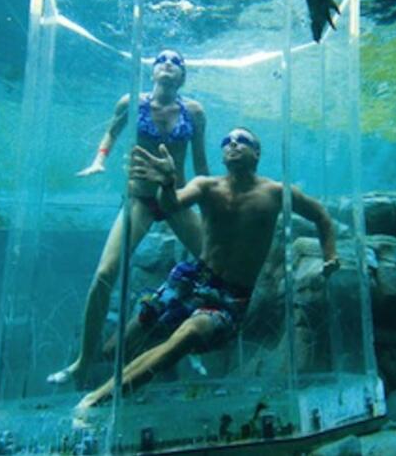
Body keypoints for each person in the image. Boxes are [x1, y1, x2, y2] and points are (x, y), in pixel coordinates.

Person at [74, 126, 341, 411]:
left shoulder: (277, 193)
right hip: (191, 279)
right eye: (227, 141)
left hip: (231, 296)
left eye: (242, 140)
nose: (233, 144)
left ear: (257, 153)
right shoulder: (206, 186)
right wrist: (167, 184)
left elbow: (321, 216)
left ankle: (95, 402)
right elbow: (171, 205)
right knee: (118, 347)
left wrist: (330, 255)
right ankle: (95, 386)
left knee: (189, 334)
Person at [47, 49, 210, 387]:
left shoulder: (194, 112)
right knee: (104, 275)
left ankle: (190, 343)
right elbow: (111, 133)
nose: (168, 63)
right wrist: (99, 160)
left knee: (213, 270)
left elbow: (200, 161)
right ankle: (83, 361)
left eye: (176, 62)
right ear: (152, 71)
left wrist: (211, 204)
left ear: (183, 76)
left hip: (177, 199)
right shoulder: (131, 103)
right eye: (162, 59)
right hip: (140, 200)